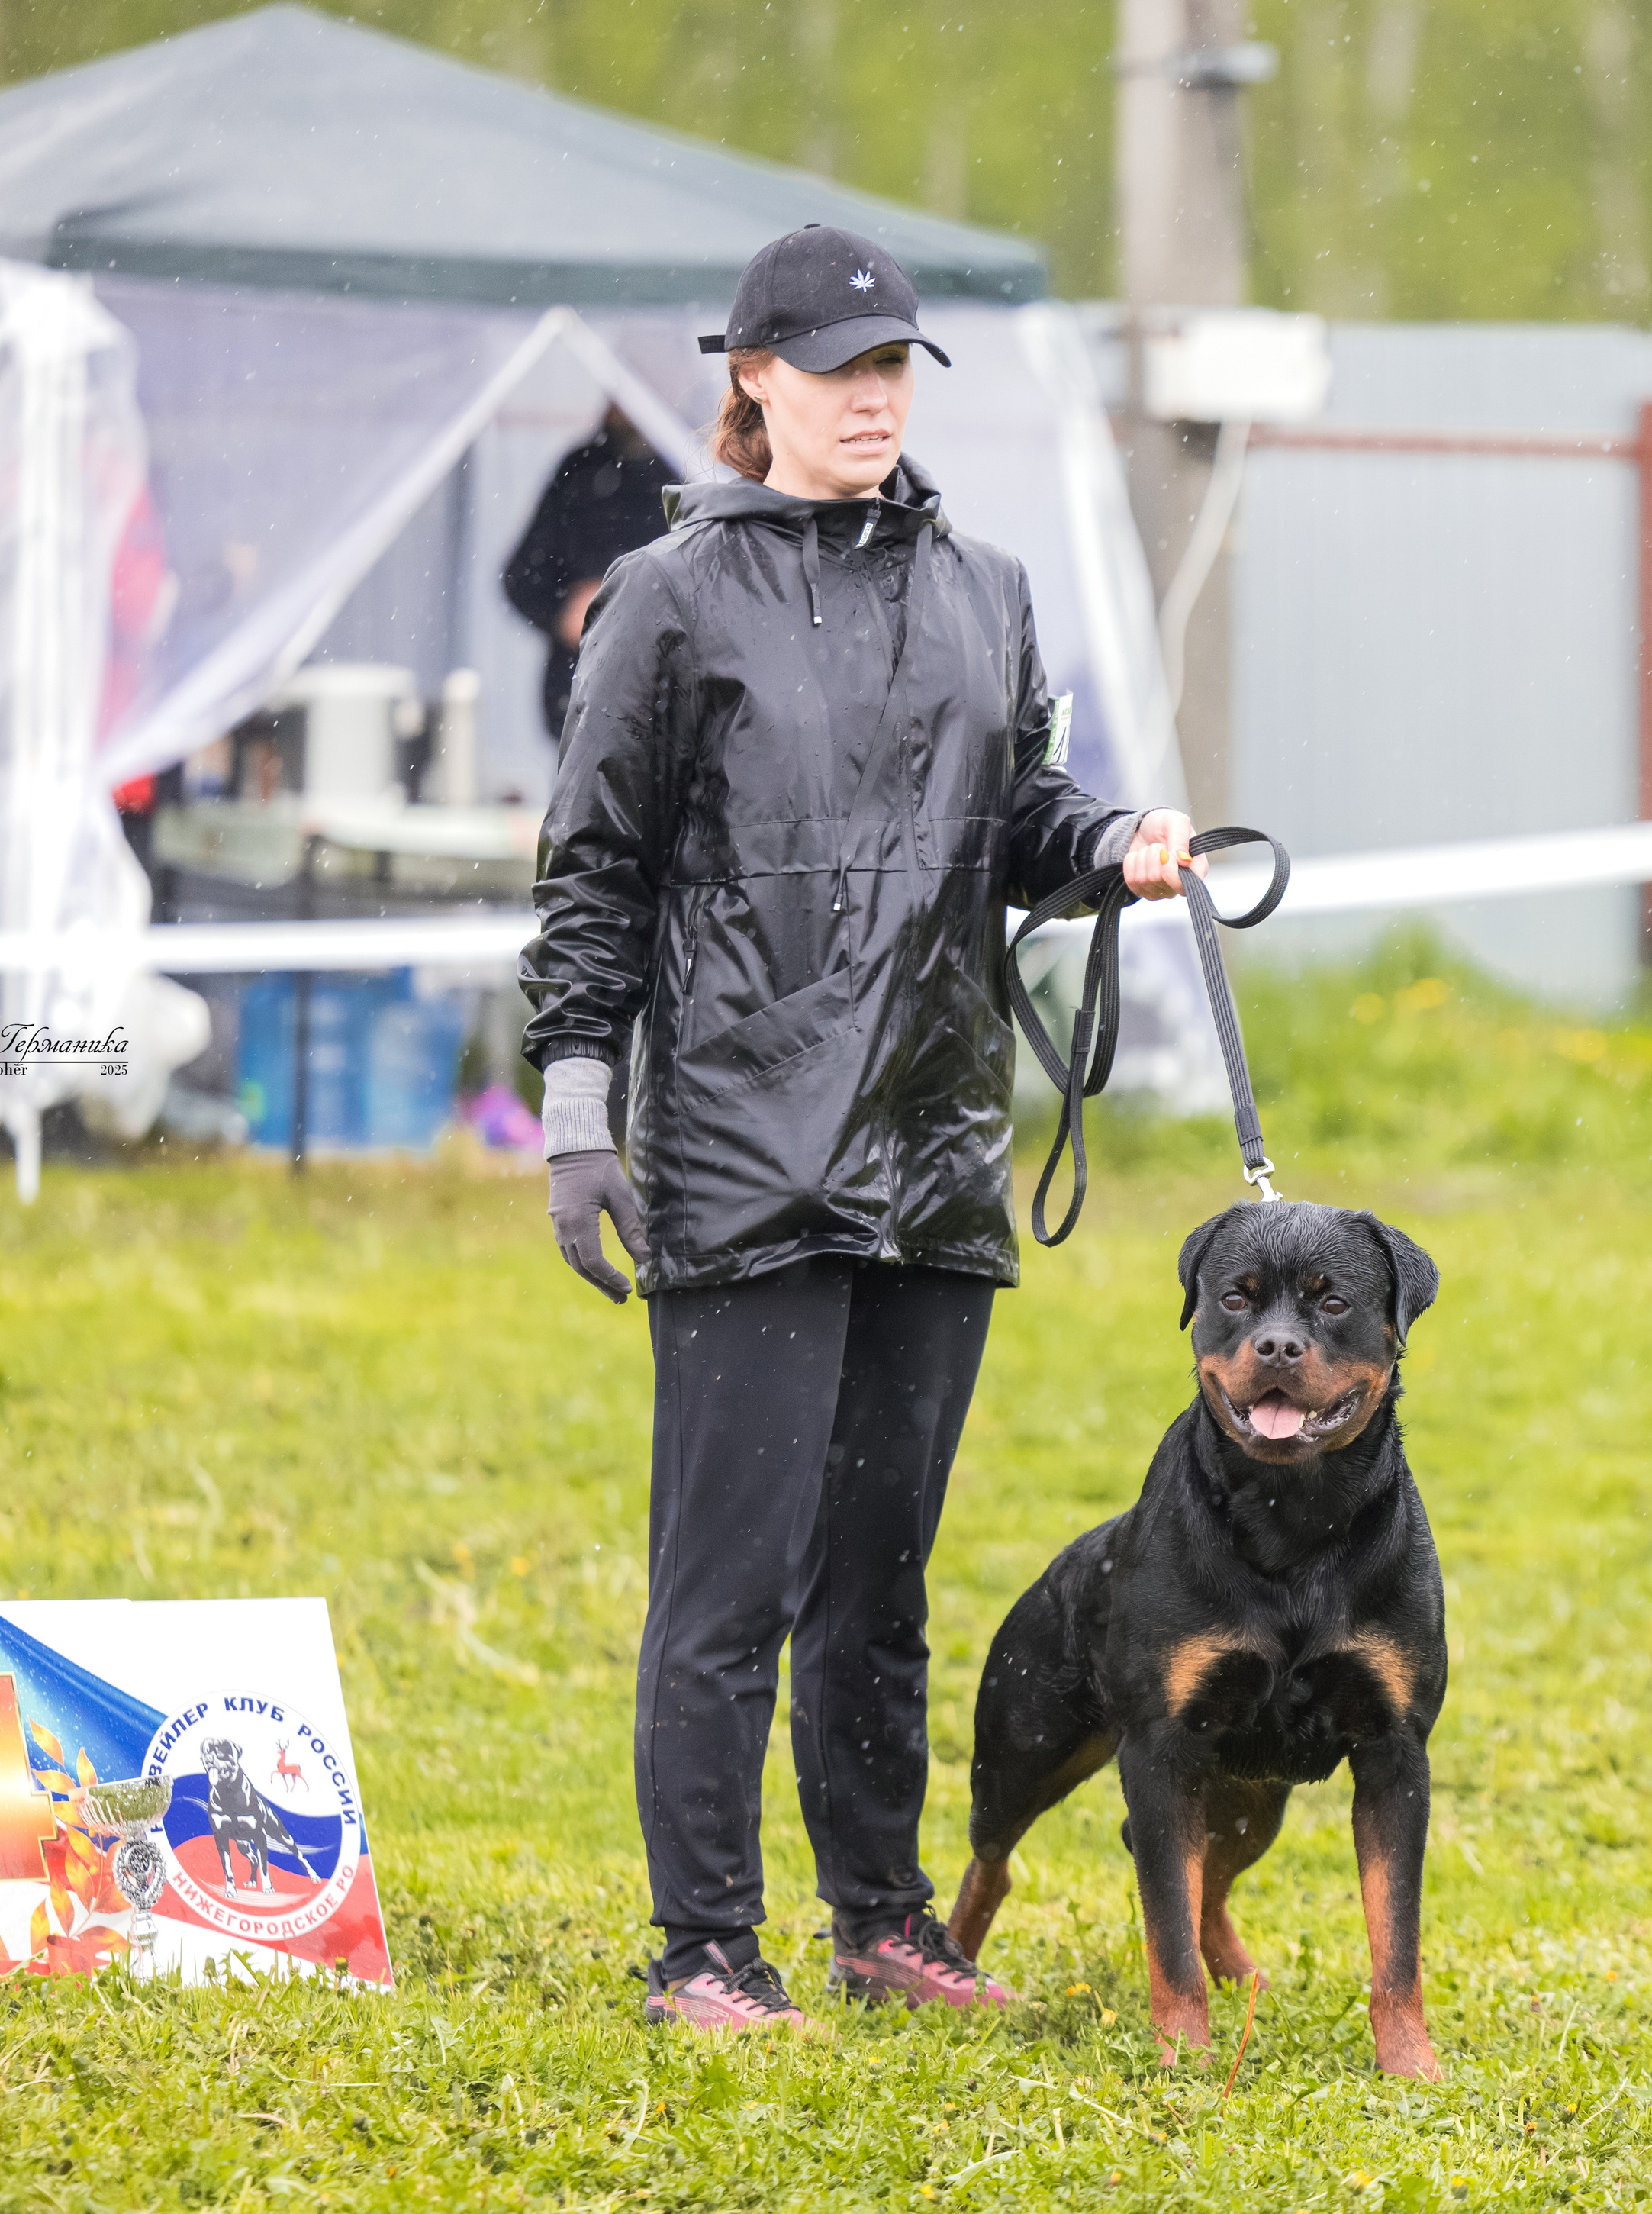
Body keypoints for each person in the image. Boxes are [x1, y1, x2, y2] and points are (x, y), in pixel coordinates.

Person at [518, 224, 1203, 2035]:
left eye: (892, 366)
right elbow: (589, 873)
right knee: (723, 1590)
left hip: (931, 1150)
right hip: (743, 1154)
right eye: (836, 370)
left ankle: (880, 1921)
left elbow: (1015, 806)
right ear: (750, 378)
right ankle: (700, 1949)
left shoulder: (985, 587)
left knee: (877, 1586)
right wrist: (579, 1109)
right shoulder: (665, 597)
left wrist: (1109, 843)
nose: (871, 397)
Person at [503, 404, 675, 743]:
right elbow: (521, 577)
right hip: (579, 703)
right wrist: (564, 612)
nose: (618, 406)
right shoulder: (581, 471)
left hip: (665, 708)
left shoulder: (690, 473)